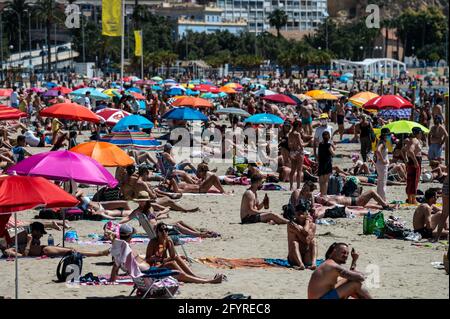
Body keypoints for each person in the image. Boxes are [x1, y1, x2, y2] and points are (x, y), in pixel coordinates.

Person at [145, 223, 226, 284]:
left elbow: (172, 256)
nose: (164, 232)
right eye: (161, 230)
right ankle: (207, 281)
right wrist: (154, 258)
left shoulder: (167, 240)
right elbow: (147, 259)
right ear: (157, 232)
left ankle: (193, 276)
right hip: (155, 268)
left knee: (177, 257)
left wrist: (170, 242)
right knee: (172, 263)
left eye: (166, 230)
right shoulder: (153, 242)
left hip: (162, 263)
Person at [3, 221, 110, 258]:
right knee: (71, 251)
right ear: (35, 231)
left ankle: (98, 253)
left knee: (70, 249)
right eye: (40, 233)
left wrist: (31, 241)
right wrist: (29, 242)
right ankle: (98, 253)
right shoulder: (11, 249)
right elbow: (24, 256)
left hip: (45, 249)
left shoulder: (26, 238)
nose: (41, 236)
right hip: (45, 250)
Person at [307, 243, 371, 299]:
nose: (346, 255)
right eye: (343, 252)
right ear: (334, 251)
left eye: (347, 254)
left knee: (348, 281)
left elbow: (350, 276)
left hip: (324, 296)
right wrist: (362, 275)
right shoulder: (332, 266)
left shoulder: (328, 264)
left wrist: (354, 260)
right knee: (355, 285)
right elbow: (360, 277)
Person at [287, 201, 318, 270]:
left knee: (314, 240)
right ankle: (301, 264)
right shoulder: (291, 224)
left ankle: (313, 264)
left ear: (307, 213)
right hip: (294, 256)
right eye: (298, 211)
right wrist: (301, 231)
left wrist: (306, 222)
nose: (300, 213)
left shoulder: (312, 225)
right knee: (294, 243)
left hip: (307, 255)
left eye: (302, 211)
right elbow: (304, 235)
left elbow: (306, 241)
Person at [315, 189, 395, 210]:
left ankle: (390, 206)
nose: (321, 199)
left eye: (320, 198)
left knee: (376, 205)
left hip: (356, 200)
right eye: (320, 200)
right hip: (356, 202)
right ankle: (385, 206)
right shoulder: (330, 202)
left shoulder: (327, 197)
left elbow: (319, 194)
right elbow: (340, 206)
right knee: (372, 192)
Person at [404, 127, 423, 204]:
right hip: (415, 160)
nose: (421, 135)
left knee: (410, 180)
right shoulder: (415, 141)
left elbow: (403, 149)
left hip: (410, 161)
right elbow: (411, 151)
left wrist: (405, 159)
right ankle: (413, 200)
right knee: (415, 180)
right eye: (421, 133)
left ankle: (410, 199)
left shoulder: (410, 140)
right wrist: (415, 162)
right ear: (418, 133)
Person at [288, 121, 307, 190]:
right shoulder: (297, 134)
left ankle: (291, 186)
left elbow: (289, 145)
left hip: (292, 152)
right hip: (298, 152)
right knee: (299, 170)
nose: (301, 128)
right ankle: (298, 187)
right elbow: (301, 145)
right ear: (298, 126)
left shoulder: (290, 134)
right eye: (300, 127)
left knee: (292, 170)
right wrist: (308, 143)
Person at [317, 131, 335, 196]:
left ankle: (321, 194)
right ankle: (324, 194)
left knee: (321, 181)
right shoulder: (328, 145)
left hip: (321, 163)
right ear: (329, 137)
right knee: (326, 181)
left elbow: (318, 154)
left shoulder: (320, 144)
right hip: (327, 163)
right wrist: (333, 146)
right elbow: (333, 154)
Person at [375, 128, 390, 201]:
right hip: (382, 165)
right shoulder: (382, 143)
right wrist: (383, 160)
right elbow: (377, 150)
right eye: (388, 135)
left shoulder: (381, 141)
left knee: (380, 182)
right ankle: (383, 199)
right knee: (383, 182)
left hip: (379, 164)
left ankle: (379, 198)